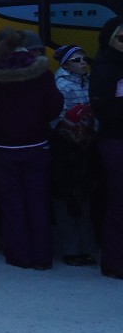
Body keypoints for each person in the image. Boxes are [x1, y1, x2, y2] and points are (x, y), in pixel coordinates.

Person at [0, 28, 63, 270]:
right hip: (36, 145)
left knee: (11, 203)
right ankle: (42, 258)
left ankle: (19, 256)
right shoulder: (42, 72)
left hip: (2, 147)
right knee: (38, 202)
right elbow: (54, 107)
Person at [50, 44, 97, 267]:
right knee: (67, 197)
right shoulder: (61, 84)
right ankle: (71, 249)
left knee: (83, 197)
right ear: (66, 64)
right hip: (66, 147)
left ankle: (85, 247)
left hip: (85, 144)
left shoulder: (86, 82)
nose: (83, 63)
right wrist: (71, 129)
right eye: (76, 60)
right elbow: (57, 118)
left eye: (84, 59)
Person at [89, 16, 123, 279]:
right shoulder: (106, 67)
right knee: (118, 202)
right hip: (115, 140)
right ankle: (113, 262)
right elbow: (103, 108)